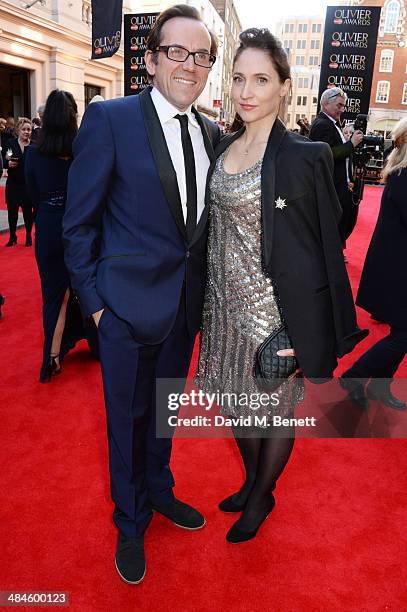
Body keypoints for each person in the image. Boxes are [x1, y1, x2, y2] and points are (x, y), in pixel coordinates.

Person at [63, 4, 220, 585]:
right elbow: (77, 225)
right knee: (125, 423)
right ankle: (129, 523)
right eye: (176, 52)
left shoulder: (211, 133)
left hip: (184, 309)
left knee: (163, 416)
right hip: (123, 311)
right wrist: (97, 305)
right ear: (151, 60)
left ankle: (160, 492)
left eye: (200, 56)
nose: (190, 64)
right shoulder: (110, 119)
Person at [195, 28, 367, 544]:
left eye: (261, 80)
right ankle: (253, 481)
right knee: (231, 401)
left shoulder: (303, 155)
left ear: (284, 88)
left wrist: (302, 323)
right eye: (240, 78)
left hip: (272, 314)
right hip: (221, 306)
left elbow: (323, 243)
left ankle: (262, 492)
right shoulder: (223, 145)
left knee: (270, 410)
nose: (247, 90)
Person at [25, 90, 99, 383]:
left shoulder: (32, 153)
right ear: (72, 118)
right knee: (82, 289)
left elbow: (32, 195)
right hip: (76, 229)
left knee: (54, 296)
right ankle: (92, 344)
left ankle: (52, 357)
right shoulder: (81, 153)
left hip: (46, 227)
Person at [340, 117, 407, 411]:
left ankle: (379, 387)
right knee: (404, 335)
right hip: (397, 269)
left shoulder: (400, 172)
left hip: (396, 266)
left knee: (400, 332)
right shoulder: (405, 174)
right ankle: (354, 377)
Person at [309, 88, 363, 247]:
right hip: (331, 187)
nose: (342, 109)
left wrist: (348, 179)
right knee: (333, 225)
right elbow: (326, 155)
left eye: (343, 106)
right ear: (325, 104)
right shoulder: (322, 125)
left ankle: (335, 251)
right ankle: (332, 254)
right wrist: (351, 144)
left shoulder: (330, 124)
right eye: (339, 105)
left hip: (339, 185)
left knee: (342, 222)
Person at [4, 117, 33, 246]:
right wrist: (8, 163)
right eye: (24, 129)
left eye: (29, 129)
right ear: (18, 130)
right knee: (12, 212)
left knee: (27, 212)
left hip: (27, 185)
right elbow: (6, 158)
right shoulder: (11, 143)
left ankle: (28, 235)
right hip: (13, 184)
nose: (26, 132)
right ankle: (12, 236)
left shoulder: (33, 146)